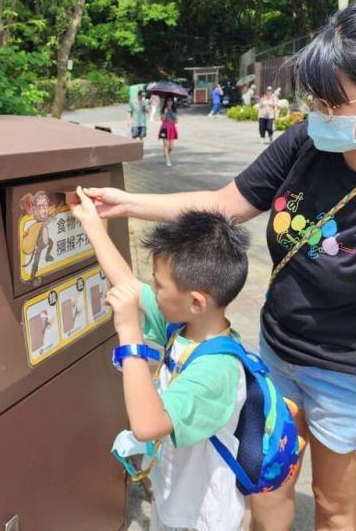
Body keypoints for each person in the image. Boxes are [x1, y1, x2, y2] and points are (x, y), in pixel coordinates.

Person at [81, 0, 356, 530]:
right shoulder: (307, 143)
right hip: (276, 354)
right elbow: (225, 203)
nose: (317, 111)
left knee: (334, 508)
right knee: (265, 487)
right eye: (314, 97)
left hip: (348, 378)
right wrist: (127, 204)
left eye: (332, 100)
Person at [70, 188, 250, 531]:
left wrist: (129, 333)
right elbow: (127, 283)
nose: (150, 290)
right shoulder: (185, 325)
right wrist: (92, 224)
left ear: (196, 301)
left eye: (158, 286)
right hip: (174, 496)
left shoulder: (217, 370)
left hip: (201, 517)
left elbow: (147, 424)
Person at [159, 96, 178, 167]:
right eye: (168, 101)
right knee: (166, 145)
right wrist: (165, 112)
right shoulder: (163, 109)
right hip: (164, 128)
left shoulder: (174, 110)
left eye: (171, 101)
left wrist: (175, 120)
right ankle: (168, 160)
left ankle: (166, 154)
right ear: (166, 102)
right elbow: (162, 119)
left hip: (172, 128)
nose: (169, 102)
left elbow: (176, 121)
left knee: (171, 147)